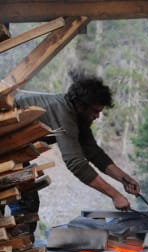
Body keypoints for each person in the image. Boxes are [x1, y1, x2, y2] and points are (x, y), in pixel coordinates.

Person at [11, 70, 140, 238]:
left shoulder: (79, 116)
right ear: (81, 105)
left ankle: (18, 250)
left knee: (27, 201)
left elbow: (94, 153)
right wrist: (115, 196)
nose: (97, 116)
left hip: (13, 153)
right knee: (24, 203)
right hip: (5, 152)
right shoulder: (62, 112)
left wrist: (125, 179)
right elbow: (76, 164)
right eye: (94, 111)